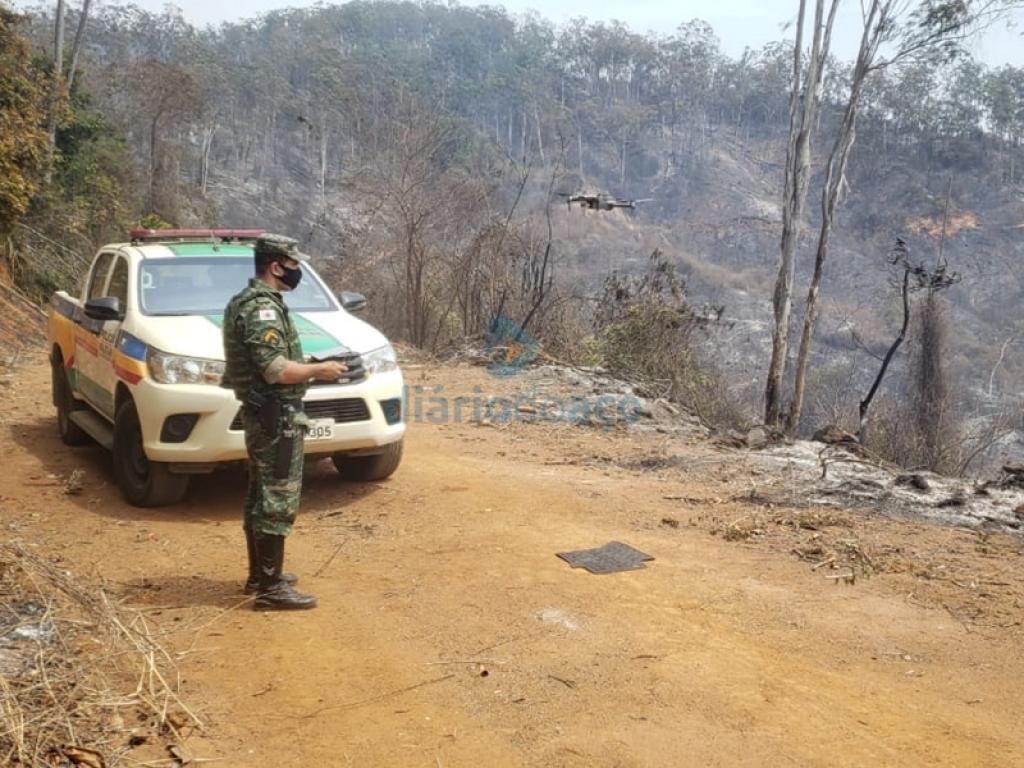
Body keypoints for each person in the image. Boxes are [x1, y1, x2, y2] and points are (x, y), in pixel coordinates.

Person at [221, 234, 346, 611]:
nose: (297, 273)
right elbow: (276, 370)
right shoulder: (262, 310)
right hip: (276, 415)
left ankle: (262, 575)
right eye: (293, 267)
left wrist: (313, 362)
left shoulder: (245, 303)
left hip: (264, 413)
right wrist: (319, 370)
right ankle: (270, 588)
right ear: (276, 266)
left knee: (261, 494)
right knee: (277, 496)